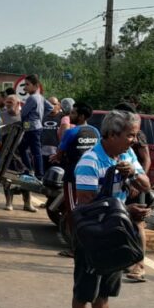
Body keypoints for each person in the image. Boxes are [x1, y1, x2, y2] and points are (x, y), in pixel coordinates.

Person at [70, 110, 150, 308]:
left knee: (105, 289)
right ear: (112, 134)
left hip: (115, 233)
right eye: (130, 135)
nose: (133, 141)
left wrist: (134, 175)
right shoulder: (89, 162)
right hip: (93, 234)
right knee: (85, 290)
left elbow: (146, 185)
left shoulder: (127, 155)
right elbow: (87, 205)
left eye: (134, 135)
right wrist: (127, 211)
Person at [51, 101, 99, 251]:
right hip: (92, 176)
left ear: (81, 116)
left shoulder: (71, 132)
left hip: (73, 176)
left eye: (73, 113)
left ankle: (75, 247)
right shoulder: (95, 132)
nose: (70, 115)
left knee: (73, 210)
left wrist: (55, 157)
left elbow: (59, 154)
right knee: (88, 209)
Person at [115, 101, 151, 282]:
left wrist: (137, 183)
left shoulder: (138, 135)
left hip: (136, 185)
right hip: (123, 187)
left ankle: (140, 265)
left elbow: (146, 159)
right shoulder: (117, 134)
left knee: (138, 224)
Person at [0, 93, 33, 212]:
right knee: (7, 177)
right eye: (6, 102)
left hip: (22, 152)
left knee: (26, 176)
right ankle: (9, 202)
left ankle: (27, 203)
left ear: (18, 104)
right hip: (6, 152)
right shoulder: (1, 116)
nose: (7, 104)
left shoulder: (25, 116)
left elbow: (28, 130)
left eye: (10, 102)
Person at [19, 74, 45, 178]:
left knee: (32, 151)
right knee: (31, 150)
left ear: (35, 86)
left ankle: (35, 172)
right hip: (35, 126)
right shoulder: (40, 97)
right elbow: (49, 108)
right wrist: (39, 117)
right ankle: (33, 171)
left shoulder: (32, 98)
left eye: (27, 84)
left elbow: (23, 113)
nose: (25, 87)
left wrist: (34, 118)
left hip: (32, 128)